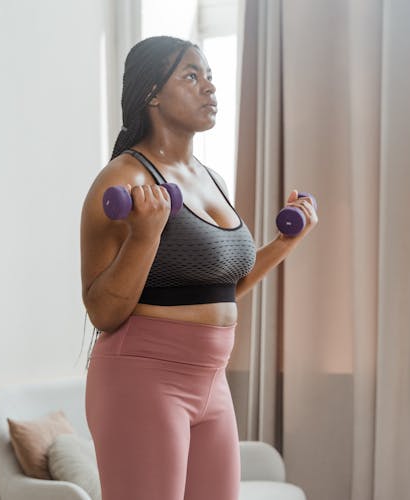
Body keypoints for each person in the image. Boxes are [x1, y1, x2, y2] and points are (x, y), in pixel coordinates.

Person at [80, 35, 317, 500]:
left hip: (211, 382)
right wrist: (145, 235)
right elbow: (103, 313)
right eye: (191, 76)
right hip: (143, 380)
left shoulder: (213, 179)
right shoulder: (123, 180)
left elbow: (219, 292)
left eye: (209, 76)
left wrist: (286, 244)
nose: (209, 88)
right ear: (151, 93)